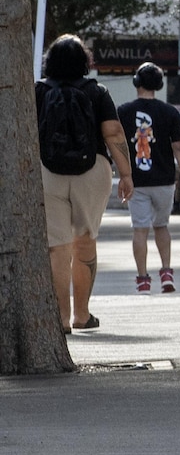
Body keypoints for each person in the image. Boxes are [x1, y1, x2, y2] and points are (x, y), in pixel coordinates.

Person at [34, 35, 134, 331]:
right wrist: (126, 174)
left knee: (57, 248)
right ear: (84, 62)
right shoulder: (97, 92)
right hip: (92, 171)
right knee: (85, 242)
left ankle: (61, 320)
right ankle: (82, 314)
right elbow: (114, 133)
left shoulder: (37, 91)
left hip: (46, 172)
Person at [117, 62, 180, 294]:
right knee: (162, 226)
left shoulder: (123, 112)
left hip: (136, 181)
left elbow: (117, 145)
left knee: (140, 230)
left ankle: (142, 279)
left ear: (136, 82)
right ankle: (167, 272)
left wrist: (121, 174)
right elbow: (179, 148)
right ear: (159, 85)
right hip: (164, 181)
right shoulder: (170, 112)